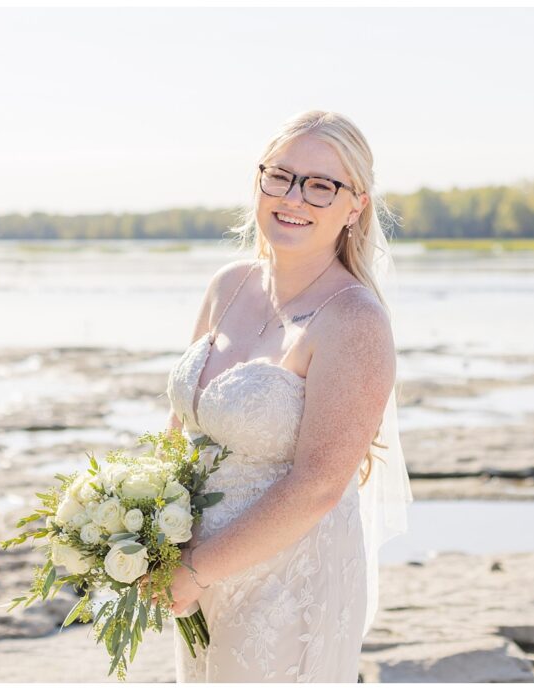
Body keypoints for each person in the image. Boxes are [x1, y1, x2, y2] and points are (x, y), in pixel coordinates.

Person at [161, 110, 412, 682]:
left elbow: (320, 485)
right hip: (196, 577)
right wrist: (144, 525)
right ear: (259, 182)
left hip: (287, 584)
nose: (294, 197)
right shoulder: (228, 284)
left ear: (356, 206)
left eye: (322, 185)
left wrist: (198, 570)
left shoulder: (354, 320)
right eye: (281, 176)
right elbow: (179, 426)